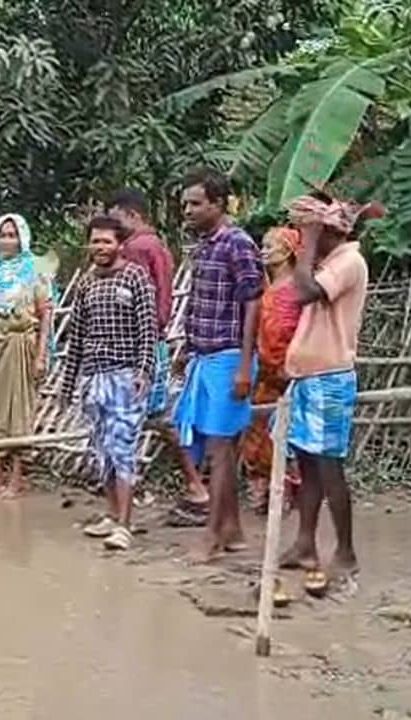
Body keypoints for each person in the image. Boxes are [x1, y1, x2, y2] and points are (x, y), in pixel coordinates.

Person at [278, 193, 377, 592]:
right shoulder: (331, 262)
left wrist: (308, 243)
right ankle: (305, 544)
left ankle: (346, 552)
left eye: (309, 230)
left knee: (329, 465)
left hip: (330, 378)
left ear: (328, 231)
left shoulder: (349, 262)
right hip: (310, 376)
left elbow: (303, 292)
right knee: (307, 463)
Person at [172, 168, 264, 560]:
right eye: (185, 204)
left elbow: (253, 302)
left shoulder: (237, 243)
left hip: (228, 357)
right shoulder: (204, 246)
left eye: (196, 203)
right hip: (204, 356)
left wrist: (244, 364)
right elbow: (200, 302)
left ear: (218, 204)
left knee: (222, 448)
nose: (188, 211)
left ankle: (211, 536)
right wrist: (186, 349)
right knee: (214, 444)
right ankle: (232, 531)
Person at [61, 215, 158, 550]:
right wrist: (68, 385)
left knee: (123, 449)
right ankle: (112, 514)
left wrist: (144, 371)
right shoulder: (86, 283)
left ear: (120, 244)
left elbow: (148, 331)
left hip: (125, 376)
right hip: (93, 378)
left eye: (106, 241)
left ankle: (125, 526)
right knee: (101, 450)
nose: (100, 247)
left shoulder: (135, 277)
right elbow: (76, 338)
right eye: (95, 241)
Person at [107, 188, 206, 512]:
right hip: (154, 342)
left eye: (116, 218)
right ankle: (192, 485)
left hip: (137, 346)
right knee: (159, 419)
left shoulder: (135, 249)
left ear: (131, 215)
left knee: (125, 421)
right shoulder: (157, 246)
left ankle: (123, 505)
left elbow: (131, 299)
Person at [0, 213, 52, 499]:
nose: (7, 241)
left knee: (19, 411)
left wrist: (40, 355)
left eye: (12, 235)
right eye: (3, 235)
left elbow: (45, 314)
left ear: (23, 239)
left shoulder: (33, 272)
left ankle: (18, 478)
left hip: (20, 346)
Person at [241, 226, 305, 515]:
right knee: (256, 432)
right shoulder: (266, 288)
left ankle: (288, 490)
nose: (264, 251)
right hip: (264, 371)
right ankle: (263, 491)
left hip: (288, 371)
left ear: (288, 250)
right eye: (263, 245)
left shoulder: (297, 290)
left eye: (271, 246)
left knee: (283, 433)